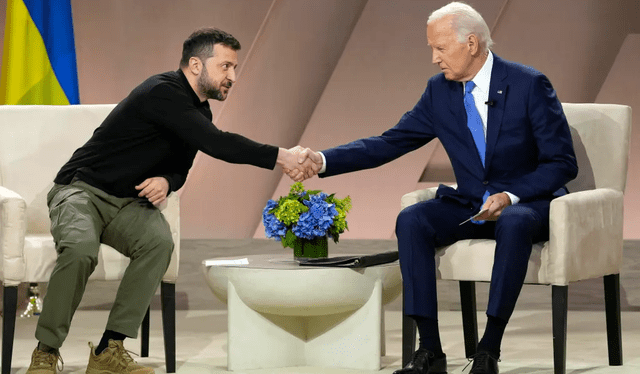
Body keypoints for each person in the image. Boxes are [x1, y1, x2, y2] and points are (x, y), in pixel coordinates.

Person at [290, 2, 578, 373]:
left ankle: (489, 349)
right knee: (412, 220)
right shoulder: (439, 91)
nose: (433, 58)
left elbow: (561, 163)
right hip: (471, 202)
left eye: (440, 48)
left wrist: (510, 195)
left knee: (516, 221)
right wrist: (324, 160)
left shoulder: (528, 84)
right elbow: (390, 142)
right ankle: (430, 352)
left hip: (527, 203)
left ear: (471, 43)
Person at [26, 28, 315, 374]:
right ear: (195, 64)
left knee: (158, 244)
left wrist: (166, 180)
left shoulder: (199, 112)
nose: (232, 77)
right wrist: (282, 156)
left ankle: (108, 351)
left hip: (126, 203)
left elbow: (181, 168)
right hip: (81, 191)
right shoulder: (163, 92)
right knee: (79, 250)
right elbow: (218, 145)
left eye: (234, 68)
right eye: (225, 67)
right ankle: (45, 352)